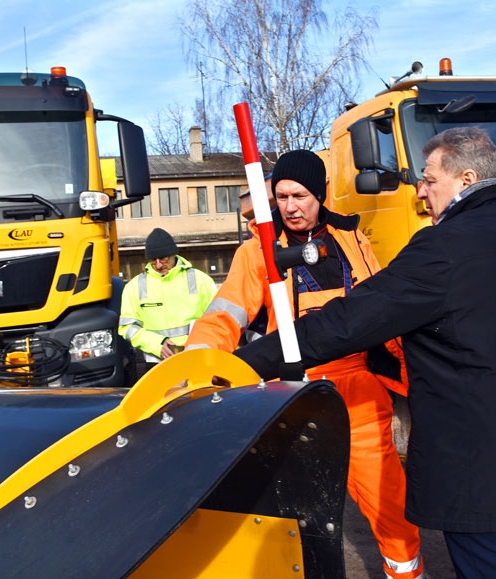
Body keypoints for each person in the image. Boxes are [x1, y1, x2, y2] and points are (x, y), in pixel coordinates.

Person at [234, 128, 496, 578]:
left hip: (479, 476)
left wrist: (240, 364)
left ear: (464, 179)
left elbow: (352, 320)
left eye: (428, 179)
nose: (420, 190)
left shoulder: (441, 249)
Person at [185, 149, 423, 579]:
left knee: (393, 509)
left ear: (322, 194)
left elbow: (381, 309)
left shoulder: (352, 238)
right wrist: (197, 360)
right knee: (293, 517)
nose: (290, 207)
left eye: (300, 196)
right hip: (292, 397)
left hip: (360, 395)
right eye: (282, 196)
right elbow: (224, 314)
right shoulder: (257, 251)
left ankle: (407, 572)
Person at [118, 228, 217, 377]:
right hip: (155, 363)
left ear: (174, 254)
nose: (158, 265)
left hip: (198, 358)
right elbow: (128, 327)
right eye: (153, 260)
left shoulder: (201, 280)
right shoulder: (134, 287)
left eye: (163, 259)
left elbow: (217, 319)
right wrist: (156, 344)